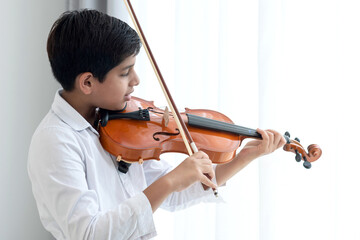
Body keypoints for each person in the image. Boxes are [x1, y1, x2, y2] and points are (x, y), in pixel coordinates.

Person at [28, 9, 286, 240]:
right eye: (125, 72)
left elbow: (176, 193)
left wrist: (244, 157)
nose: (136, 80)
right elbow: (90, 234)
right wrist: (170, 181)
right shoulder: (56, 141)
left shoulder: (120, 125)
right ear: (87, 83)